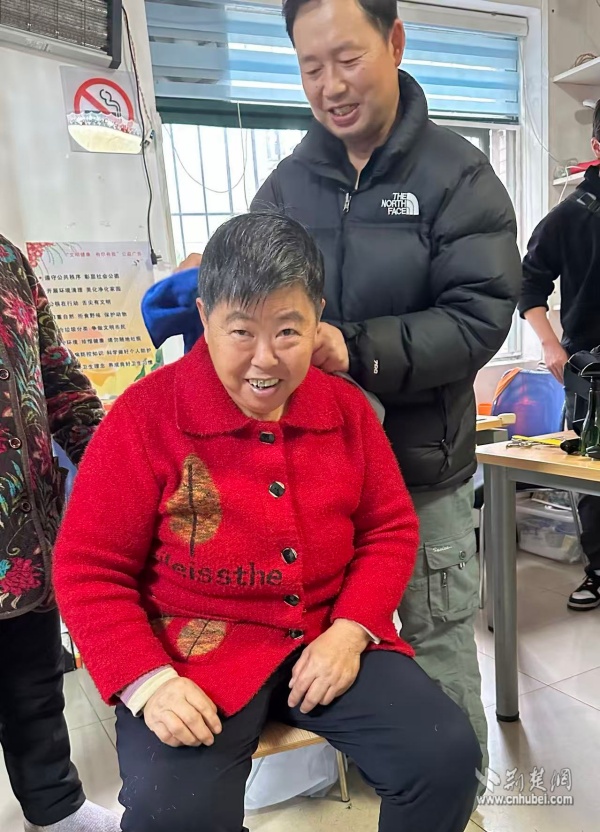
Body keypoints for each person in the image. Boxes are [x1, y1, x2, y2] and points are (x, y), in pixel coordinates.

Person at [54, 213, 481, 832]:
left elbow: (389, 529)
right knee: (175, 815)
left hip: (326, 632)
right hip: (191, 651)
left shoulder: (345, 408)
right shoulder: (145, 416)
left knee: (443, 760)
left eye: (287, 331)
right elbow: (87, 568)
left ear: (317, 318)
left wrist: (352, 630)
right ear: (204, 317)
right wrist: (147, 682)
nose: (265, 359)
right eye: (240, 332)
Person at [250, 0, 522, 774]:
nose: (330, 85)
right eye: (310, 67)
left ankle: (456, 804)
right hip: (315, 487)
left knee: (438, 650)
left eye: (348, 59)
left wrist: (354, 349)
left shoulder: (457, 174)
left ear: (395, 42)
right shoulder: (286, 186)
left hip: (421, 475)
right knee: (328, 656)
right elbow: (257, 301)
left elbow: (477, 317)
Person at [0, 237, 119, 832]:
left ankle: (56, 811)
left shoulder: (7, 260)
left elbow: (58, 376)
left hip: (23, 534)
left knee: (35, 684)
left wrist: (116, 468)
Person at [519, 100, 600, 611]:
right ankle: (599, 571)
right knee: (592, 475)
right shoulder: (571, 215)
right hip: (592, 370)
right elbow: (528, 283)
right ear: (596, 147)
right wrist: (551, 344)